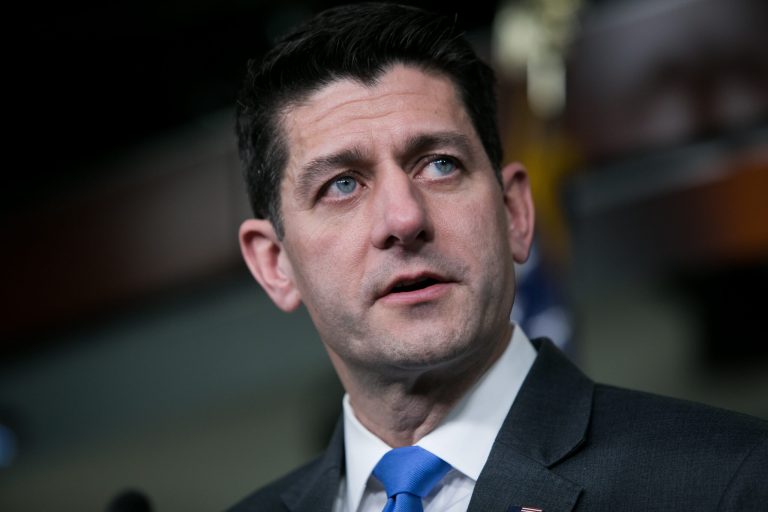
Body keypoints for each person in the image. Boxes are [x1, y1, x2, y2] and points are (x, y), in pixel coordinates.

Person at [229, 3, 767, 511]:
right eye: (342, 184)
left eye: (438, 164)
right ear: (274, 263)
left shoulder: (730, 482)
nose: (404, 219)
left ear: (514, 213)